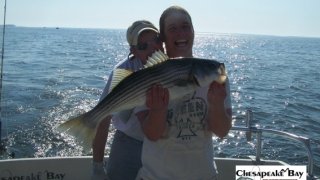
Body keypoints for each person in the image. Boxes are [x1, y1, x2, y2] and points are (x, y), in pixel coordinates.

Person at [135, 6, 232, 179]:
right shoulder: (146, 77)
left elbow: (222, 131)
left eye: (186, 26)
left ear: (194, 31)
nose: (181, 33)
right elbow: (152, 134)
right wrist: (158, 110)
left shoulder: (215, 75)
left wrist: (217, 104)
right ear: (163, 37)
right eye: (172, 29)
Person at [91, 20, 163, 180]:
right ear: (133, 50)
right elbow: (103, 119)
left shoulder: (173, 65)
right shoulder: (122, 71)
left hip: (163, 144)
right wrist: (97, 166)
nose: (153, 48)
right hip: (128, 143)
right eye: (143, 46)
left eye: (156, 40)